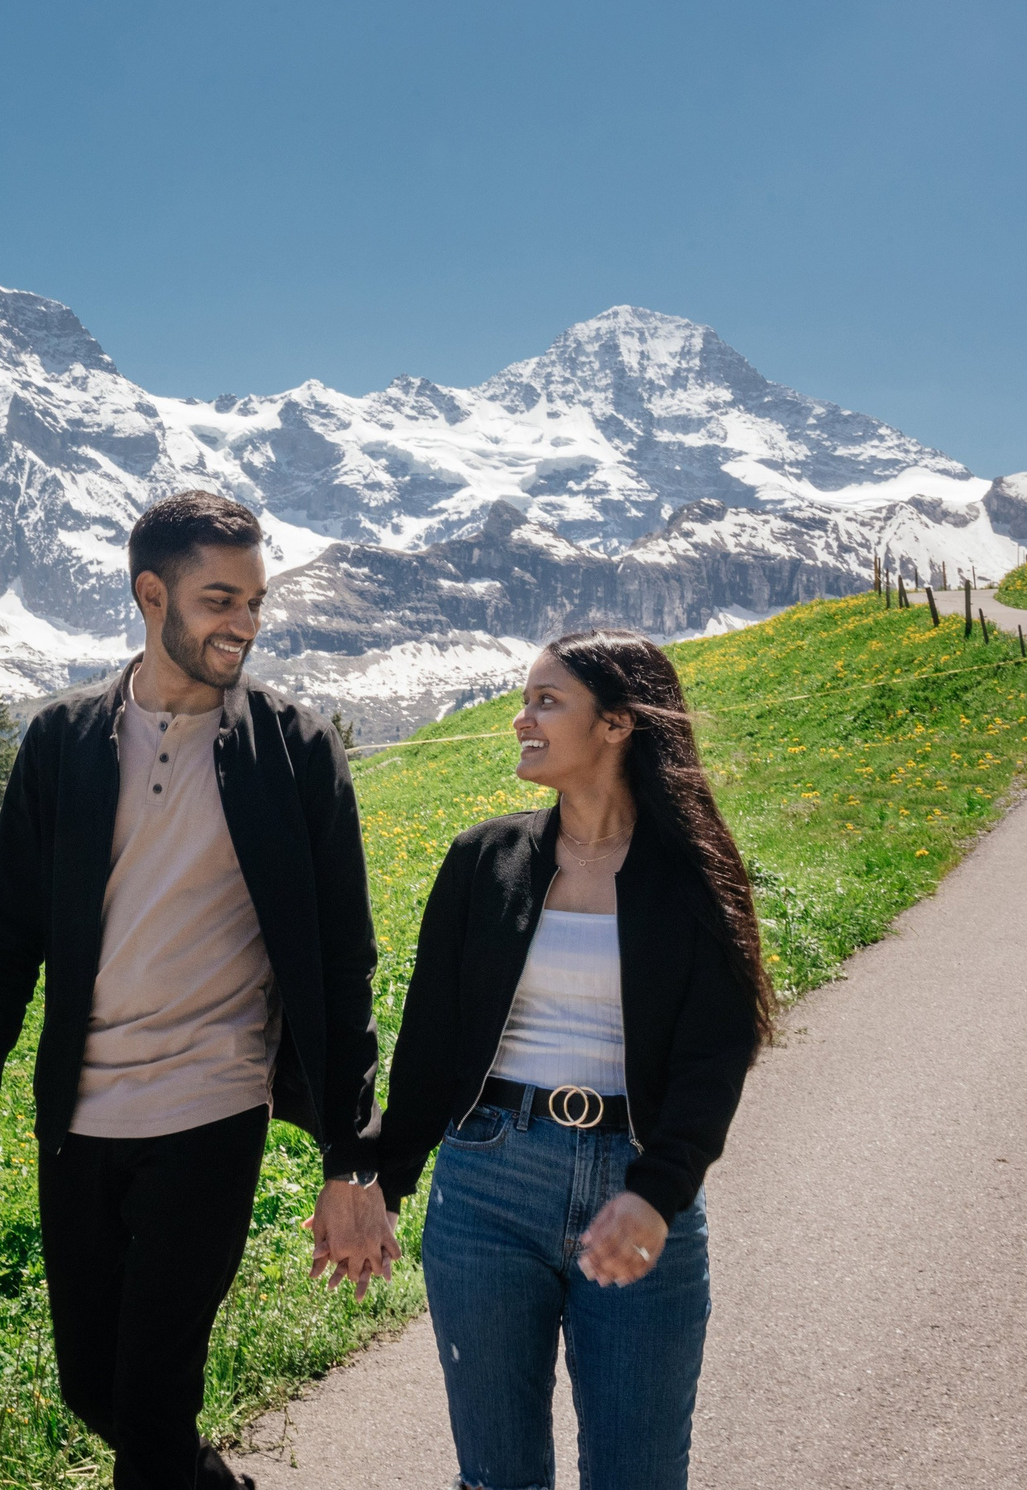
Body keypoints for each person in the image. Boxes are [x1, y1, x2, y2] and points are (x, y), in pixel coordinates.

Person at [0, 489, 394, 1490]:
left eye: (255, 600)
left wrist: (351, 1157)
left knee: (149, 1407)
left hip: (209, 1107)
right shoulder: (62, 742)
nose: (244, 623)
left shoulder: (295, 750)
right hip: (80, 1115)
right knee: (92, 1388)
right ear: (152, 595)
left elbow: (342, 961)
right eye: (219, 598)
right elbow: (6, 937)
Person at [364, 628, 774, 1490]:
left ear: (618, 723)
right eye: (525, 700)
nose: (521, 719)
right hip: (486, 1187)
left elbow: (716, 1054)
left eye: (547, 701)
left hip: (636, 1185)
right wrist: (381, 1182)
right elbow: (429, 1045)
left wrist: (659, 1192)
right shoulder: (483, 860)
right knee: (495, 1478)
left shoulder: (694, 874)